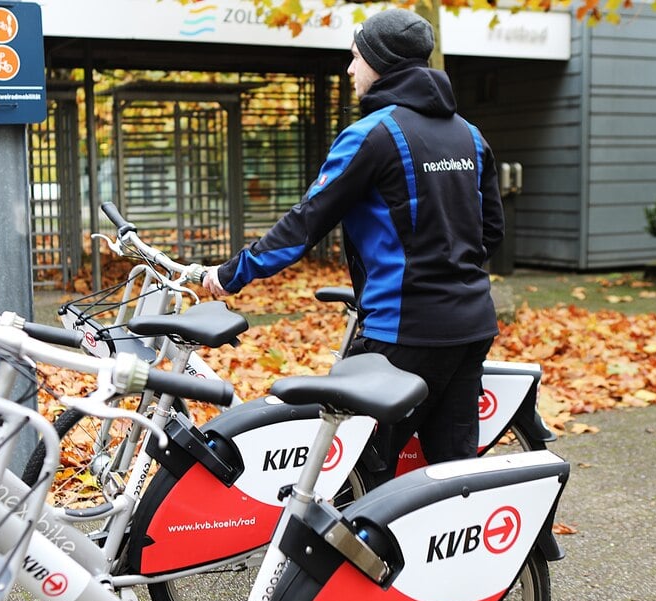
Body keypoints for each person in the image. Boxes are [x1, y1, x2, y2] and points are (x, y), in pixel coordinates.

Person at [203, 9, 504, 482]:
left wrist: (227, 275)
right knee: (451, 474)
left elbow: (306, 224)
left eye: (354, 58)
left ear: (380, 62)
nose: (349, 70)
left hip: (402, 336)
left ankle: (361, 558)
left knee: (354, 475)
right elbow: (491, 233)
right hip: (471, 326)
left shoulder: (373, 135)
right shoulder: (471, 135)